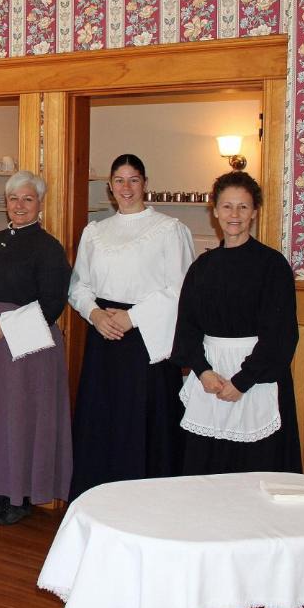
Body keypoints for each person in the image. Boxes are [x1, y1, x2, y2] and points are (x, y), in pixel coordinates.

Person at [67, 154, 194, 501]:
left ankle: (147, 504)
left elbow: (180, 288)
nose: (126, 188)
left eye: (133, 179)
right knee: (103, 420)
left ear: (145, 184)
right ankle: (98, 500)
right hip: (104, 335)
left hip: (145, 339)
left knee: (144, 423)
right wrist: (94, 314)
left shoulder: (169, 229)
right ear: (109, 187)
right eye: (119, 180)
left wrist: (132, 317)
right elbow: (78, 285)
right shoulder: (95, 232)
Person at [0, 171, 73, 520]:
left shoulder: (49, 248)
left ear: (40, 203)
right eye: (14, 199)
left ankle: (19, 497)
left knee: (19, 419)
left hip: (27, 347)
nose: (20, 206)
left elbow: (53, 303)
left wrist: (3, 328)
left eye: (28, 199)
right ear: (5, 203)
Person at [172, 171, 301, 475]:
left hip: (256, 379)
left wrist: (242, 381)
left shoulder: (272, 266)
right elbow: (187, 327)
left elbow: (280, 334)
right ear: (214, 211)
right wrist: (202, 371)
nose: (234, 215)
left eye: (243, 207)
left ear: (254, 212)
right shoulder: (201, 268)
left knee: (257, 468)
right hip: (211, 380)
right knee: (206, 468)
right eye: (227, 206)